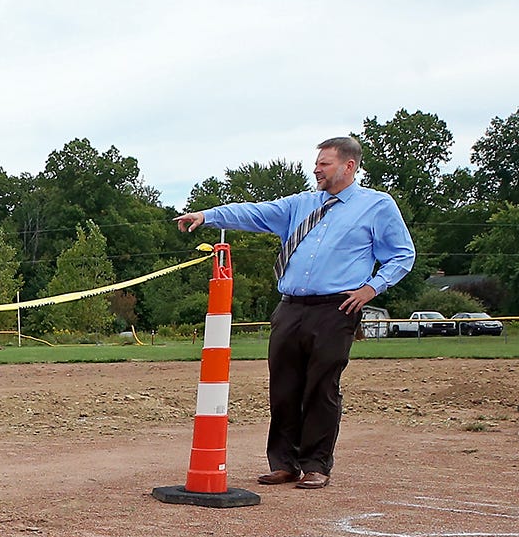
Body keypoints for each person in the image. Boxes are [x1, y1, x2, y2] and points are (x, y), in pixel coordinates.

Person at [174, 136, 414, 489]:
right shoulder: (302, 204)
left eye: (324, 163)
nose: (316, 168)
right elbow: (254, 212)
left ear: (349, 166)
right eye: (316, 162)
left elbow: (402, 254)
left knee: (321, 387)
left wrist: (371, 288)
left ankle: (316, 464)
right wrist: (208, 216)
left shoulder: (376, 205)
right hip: (290, 307)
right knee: (283, 386)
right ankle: (284, 463)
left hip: (336, 307)